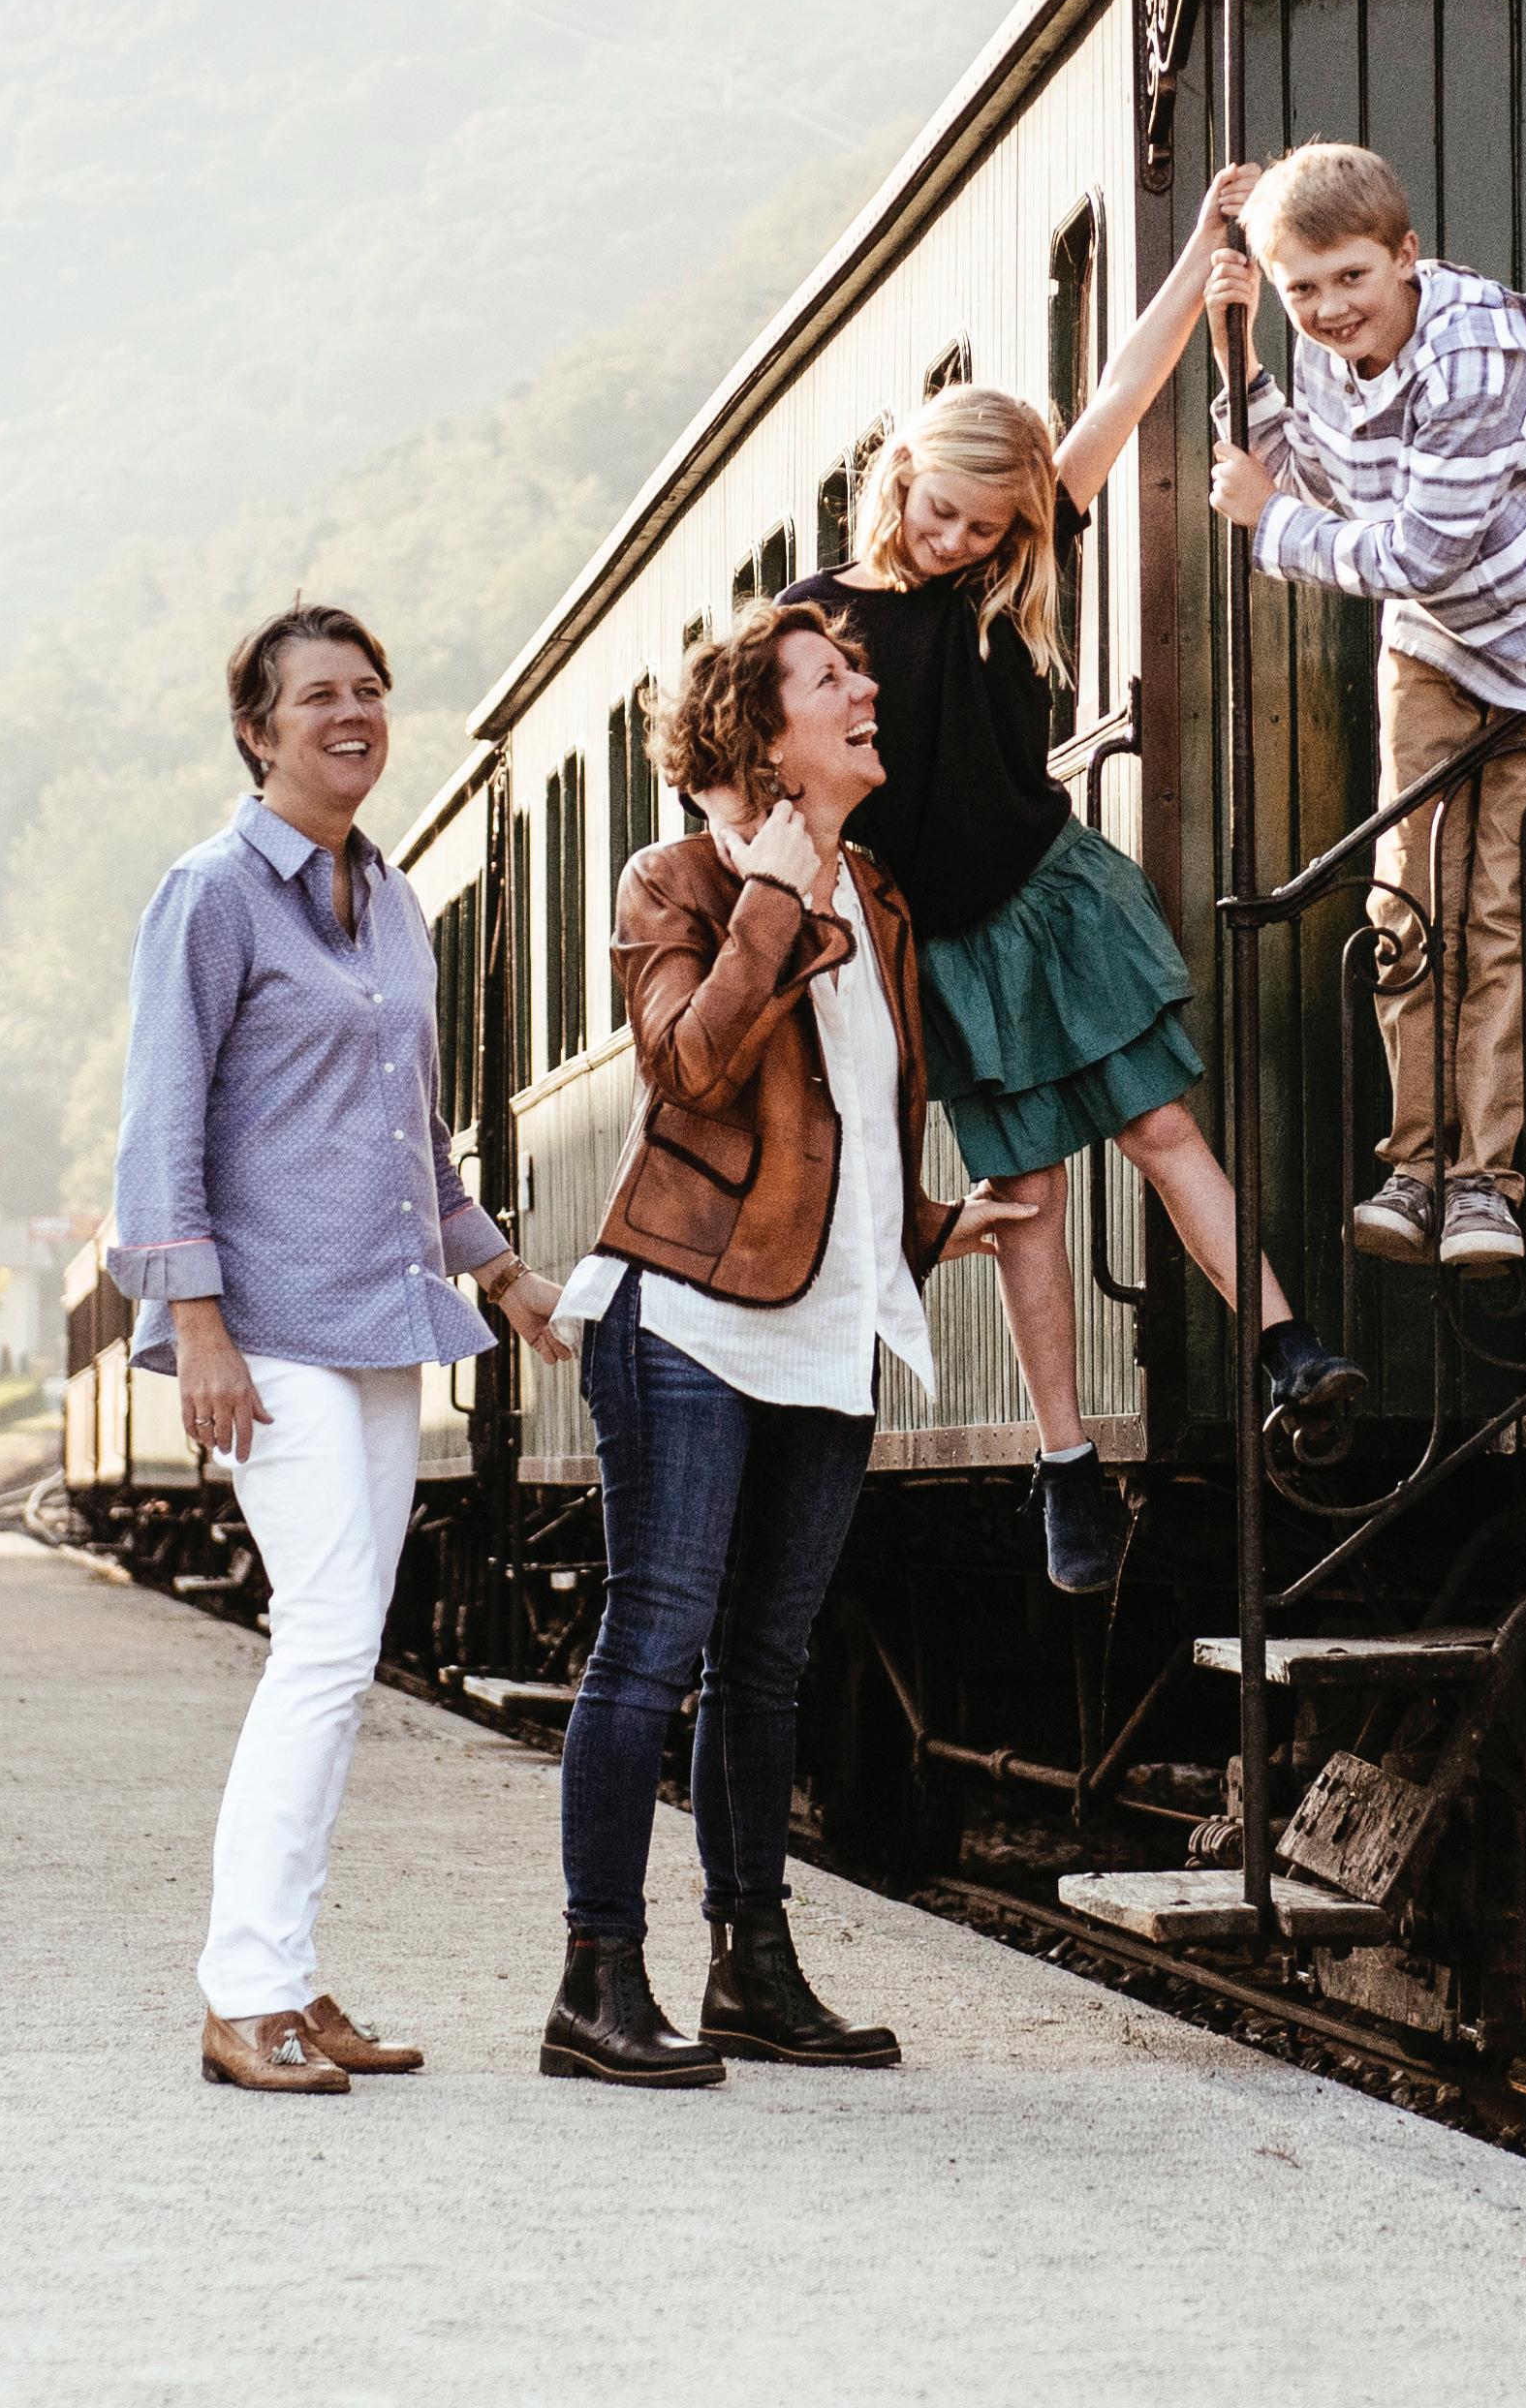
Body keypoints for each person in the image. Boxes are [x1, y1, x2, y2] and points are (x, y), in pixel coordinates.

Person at [785, 165, 1364, 1599]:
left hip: (1051, 897)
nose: (958, 543)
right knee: (1025, 1197)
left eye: (987, 530)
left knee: (1162, 1125)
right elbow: (747, 756)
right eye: (942, 515)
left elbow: (1121, 389)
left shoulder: (1008, 566)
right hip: (942, 941)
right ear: (903, 479)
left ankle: (1287, 1343)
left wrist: (1206, 249)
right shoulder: (821, 617)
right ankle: (1064, 1465)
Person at [541, 601, 1026, 2085]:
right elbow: (691, 1069)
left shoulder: (876, 893)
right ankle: (595, 1982)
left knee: (766, 1666)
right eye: (832, 678)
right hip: (684, 1315)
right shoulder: (678, 879)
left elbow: (847, 1120)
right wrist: (770, 889)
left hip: (821, 1324)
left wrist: (935, 1225)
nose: (866, 691)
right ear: (762, 731)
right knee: (653, 1644)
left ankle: (752, 1970)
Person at [108, 601, 572, 2096]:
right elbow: (162, 1122)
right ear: (258, 731)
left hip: (378, 1316)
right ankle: (245, 1994)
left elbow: (413, 1138)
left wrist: (503, 1274)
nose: (353, 713)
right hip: (266, 1327)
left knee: (346, 1648)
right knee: (319, 1642)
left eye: (369, 688)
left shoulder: (391, 900)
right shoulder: (210, 895)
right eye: (318, 695)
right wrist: (197, 1326)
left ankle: (290, 1980)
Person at [1205, 140, 1526, 1273]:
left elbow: (1418, 551)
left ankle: (1484, 1186)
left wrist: (1268, 522)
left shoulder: (1474, 367)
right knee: (1408, 904)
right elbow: (1324, 483)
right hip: (1436, 649)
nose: (1329, 308)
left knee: (1506, 914)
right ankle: (1412, 1168)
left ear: (1406, 255)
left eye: (1350, 276)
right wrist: (1241, 359)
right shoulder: (1326, 353)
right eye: (1302, 289)